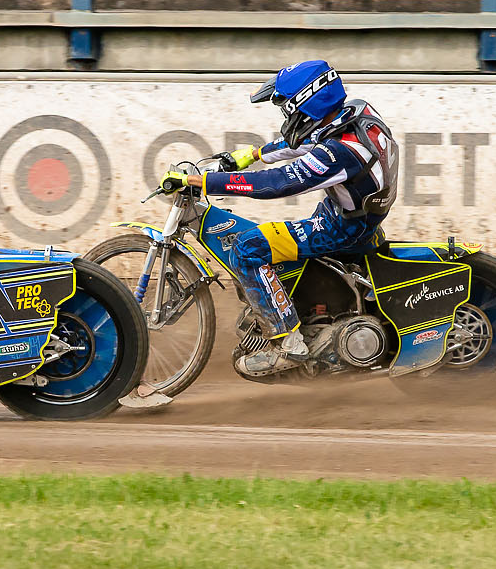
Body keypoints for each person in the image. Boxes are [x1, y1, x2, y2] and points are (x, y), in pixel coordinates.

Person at [159, 59, 398, 378]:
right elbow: (306, 142)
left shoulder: (341, 152)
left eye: (288, 109)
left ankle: (288, 343)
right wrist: (251, 155)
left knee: (248, 248)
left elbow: (276, 183)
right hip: (354, 214)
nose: (287, 116)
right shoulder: (356, 113)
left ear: (307, 103)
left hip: (343, 228)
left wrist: (202, 182)